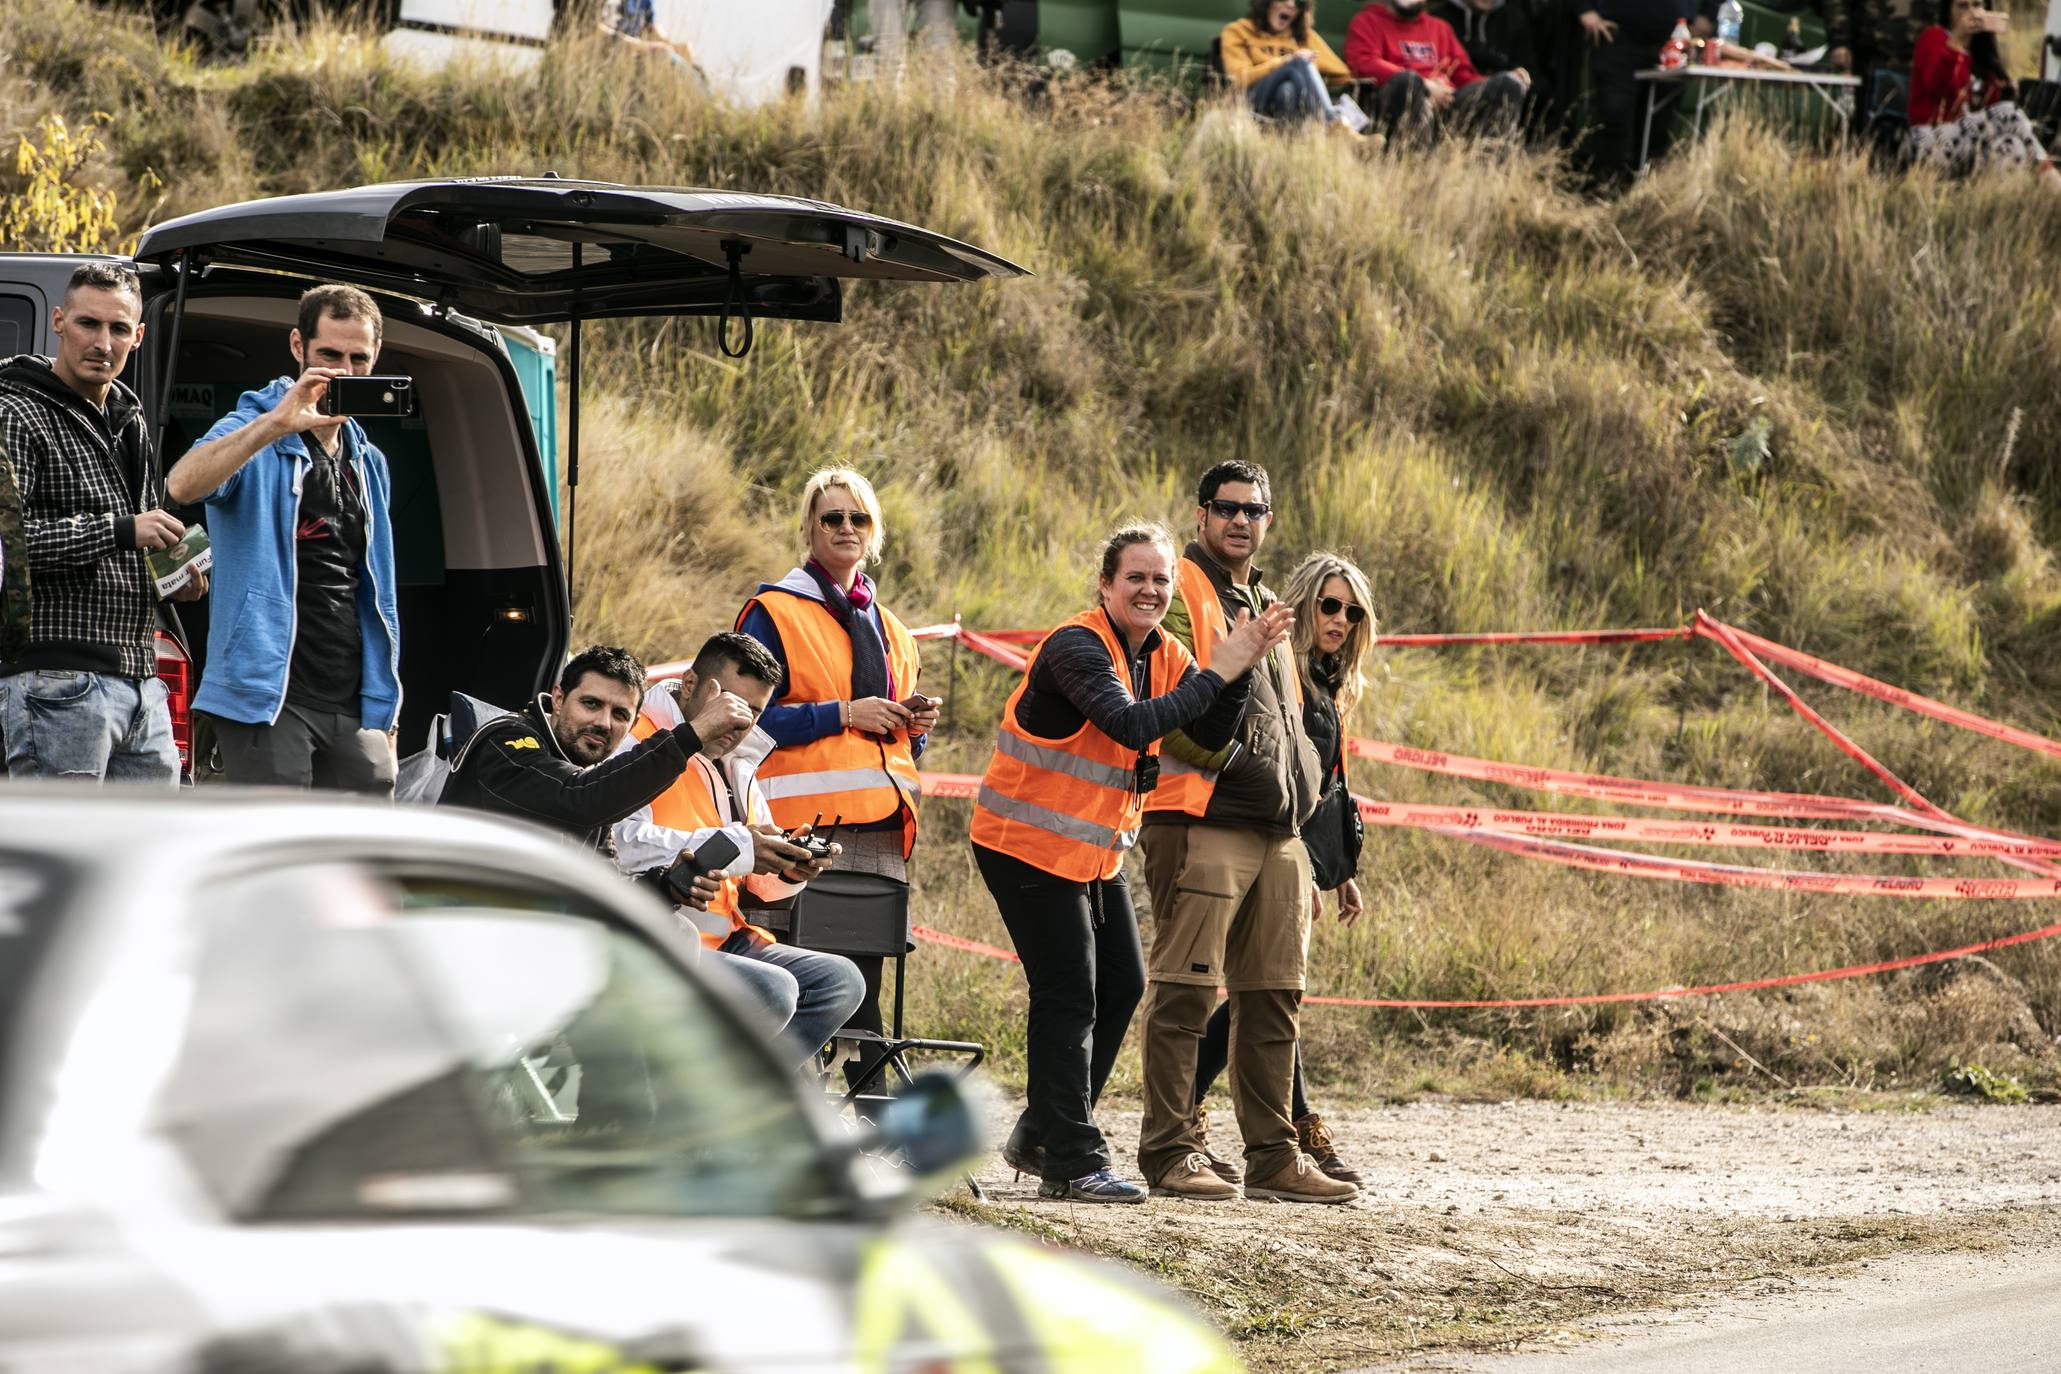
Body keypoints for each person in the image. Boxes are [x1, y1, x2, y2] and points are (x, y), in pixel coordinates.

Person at [973, 523, 1291, 1204]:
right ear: (1105, 584)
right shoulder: (1075, 646)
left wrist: (1237, 670)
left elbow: (1204, 731)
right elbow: (1131, 725)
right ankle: (1072, 1157)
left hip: (1088, 854)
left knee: (1121, 983)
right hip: (1021, 844)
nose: (1149, 589)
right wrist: (1218, 669)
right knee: (1069, 994)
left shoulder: (1163, 652)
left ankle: (1043, 1132)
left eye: (1160, 579)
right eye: (1135, 577)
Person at [1135, 461, 1355, 1205]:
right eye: (1225, 508)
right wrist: (1238, 766)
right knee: (1185, 996)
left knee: (1272, 999)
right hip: (1202, 819)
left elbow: (1292, 727)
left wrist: (1304, 819)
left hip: (1278, 832)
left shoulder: (1266, 600)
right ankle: (1169, 1150)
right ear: (1201, 517)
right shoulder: (1178, 593)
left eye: (1252, 509)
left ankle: (1272, 1156)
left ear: (1268, 519)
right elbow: (1159, 711)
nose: (1239, 520)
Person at [736, 467, 939, 1086]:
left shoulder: (896, 630)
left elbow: (899, 747)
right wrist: (842, 713)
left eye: (859, 518)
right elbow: (744, 719)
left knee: (864, 991)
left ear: (874, 532)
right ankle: (794, 1119)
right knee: (802, 984)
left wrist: (916, 723)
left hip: (877, 832)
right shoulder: (774, 611)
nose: (846, 529)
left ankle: (870, 1127)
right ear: (808, 527)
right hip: (798, 830)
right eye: (832, 517)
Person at [166, 284, 401, 795]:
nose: (343, 371)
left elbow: (376, 589)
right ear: (298, 347)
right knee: (276, 855)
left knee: (363, 859)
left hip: (354, 697)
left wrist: (387, 706)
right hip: (266, 694)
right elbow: (183, 483)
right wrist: (277, 423)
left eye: (358, 358)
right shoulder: (253, 424)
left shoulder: (369, 462)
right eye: (329, 355)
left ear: (375, 357)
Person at [1191, 552, 1374, 1186]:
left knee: (1265, 997)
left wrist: (1335, 869)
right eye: (1329, 605)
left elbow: (1324, 782)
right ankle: (1286, 1126)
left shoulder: (1326, 679)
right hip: (1257, 839)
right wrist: (1293, 853)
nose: (1341, 620)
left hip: (1299, 850)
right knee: (1261, 995)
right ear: (1302, 603)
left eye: (1352, 611)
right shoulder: (1287, 671)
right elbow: (1274, 767)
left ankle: (1212, 1108)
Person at [613, 632, 867, 1071]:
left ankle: (744, 1107)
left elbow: (754, 886)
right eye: (730, 702)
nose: (739, 721)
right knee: (775, 991)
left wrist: (789, 867)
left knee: (840, 981)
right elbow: (623, 843)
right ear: (690, 685)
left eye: (753, 711)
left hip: (729, 940)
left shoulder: (741, 766)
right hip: (661, 941)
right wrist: (741, 847)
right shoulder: (637, 740)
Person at [0, 262, 201, 784]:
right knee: (63, 855)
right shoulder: (17, 412)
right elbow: (7, 546)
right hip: (53, 677)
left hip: (140, 679)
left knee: (152, 855)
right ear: (60, 322)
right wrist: (118, 529)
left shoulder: (130, 421)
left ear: (138, 336)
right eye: (89, 324)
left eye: (117, 329)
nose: (102, 342)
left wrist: (175, 580)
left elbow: (143, 538)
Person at [439, 643, 754, 855]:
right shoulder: (508, 741)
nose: (603, 723)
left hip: (531, 927)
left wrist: (668, 887)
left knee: (680, 929)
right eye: (591, 704)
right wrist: (693, 734)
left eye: (620, 715)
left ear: (631, 726)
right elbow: (577, 800)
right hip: (457, 926)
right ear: (559, 699)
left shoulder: (591, 780)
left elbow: (604, 877)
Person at [1907, 0, 2060, 187]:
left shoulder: (1982, 56)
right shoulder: (1934, 38)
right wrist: (1955, 42)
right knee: (2006, 112)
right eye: (1963, 6)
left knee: (2011, 145)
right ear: (1949, 11)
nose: (1972, 12)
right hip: (1929, 139)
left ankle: (2000, 205)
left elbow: (1987, 114)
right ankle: (2052, 180)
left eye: (1977, 5)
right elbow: (1935, 89)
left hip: (1969, 144)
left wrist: (2003, 88)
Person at [1345, 0, 1530, 138]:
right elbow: (1364, 63)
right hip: (1398, 101)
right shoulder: (1366, 21)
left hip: (1448, 102)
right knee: (1408, 82)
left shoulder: (1439, 28)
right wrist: (1424, 85)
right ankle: (1416, 162)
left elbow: (1463, 75)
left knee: (1508, 85)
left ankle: (1491, 171)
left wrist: (1497, 82)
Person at [1573, 0, 1681, 187]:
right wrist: (1584, 9)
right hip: (1616, 38)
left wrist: (1707, 13)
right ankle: (1605, 194)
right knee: (1615, 121)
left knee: (1659, 129)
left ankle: (1647, 199)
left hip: (1670, 45)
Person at [1219, 0, 1362, 130]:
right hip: (1251, 100)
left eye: (1299, 3)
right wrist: (1285, 62)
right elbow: (1239, 77)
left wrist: (1310, 78)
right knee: (1299, 62)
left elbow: (1343, 75)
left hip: (1288, 98)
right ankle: (1334, 124)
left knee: (1287, 90)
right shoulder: (1237, 31)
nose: (1291, 5)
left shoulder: (1304, 37)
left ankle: (1286, 144)